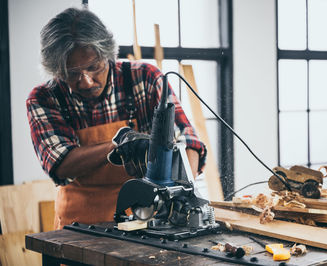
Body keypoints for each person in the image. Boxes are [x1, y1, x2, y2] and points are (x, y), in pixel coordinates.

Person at [26, 7, 206, 229]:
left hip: (145, 218)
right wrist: (120, 143)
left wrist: (181, 190)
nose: (86, 82)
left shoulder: (144, 78)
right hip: (78, 226)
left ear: (107, 53)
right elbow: (61, 164)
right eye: (72, 73)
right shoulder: (45, 98)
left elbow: (188, 142)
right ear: (56, 70)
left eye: (93, 67)